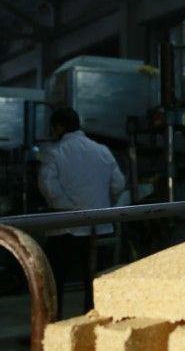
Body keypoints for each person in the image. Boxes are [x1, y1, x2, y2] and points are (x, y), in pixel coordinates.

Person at [38, 107, 125, 317]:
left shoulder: (54, 152)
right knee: (95, 283)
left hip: (65, 230)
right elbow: (118, 184)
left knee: (53, 281)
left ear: (59, 127)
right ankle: (92, 323)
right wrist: (103, 205)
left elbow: (48, 187)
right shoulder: (102, 151)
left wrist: (70, 207)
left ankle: (53, 323)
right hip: (99, 228)